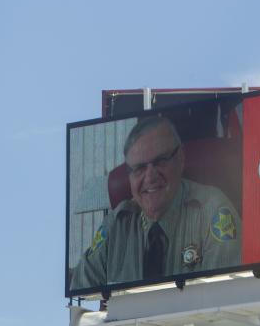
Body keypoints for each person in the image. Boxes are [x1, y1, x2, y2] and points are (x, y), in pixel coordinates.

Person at [70, 116, 241, 290]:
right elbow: (81, 287)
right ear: (129, 176)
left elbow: (222, 295)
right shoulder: (116, 225)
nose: (150, 177)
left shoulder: (212, 210)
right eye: (139, 168)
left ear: (181, 158)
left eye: (160, 161)